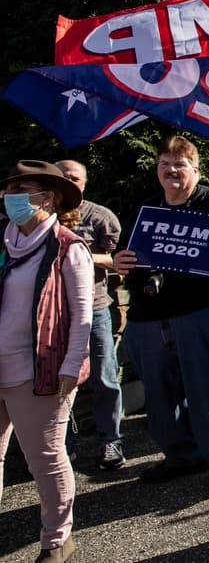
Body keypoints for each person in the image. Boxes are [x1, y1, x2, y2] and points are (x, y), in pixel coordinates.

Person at [112, 136, 209, 495]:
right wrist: (120, 261)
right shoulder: (146, 209)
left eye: (180, 164)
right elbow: (125, 254)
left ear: (196, 169)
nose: (172, 171)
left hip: (204, 313)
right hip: (148, 317)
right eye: (165, 165)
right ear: (157, 169)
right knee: (160, 395)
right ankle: (182, 456)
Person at [0, 161, 93, 563]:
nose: (12, 198)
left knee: (45, 458)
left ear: (49, 198)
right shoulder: (1, 243)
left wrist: (71, 366)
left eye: (23, 191)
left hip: (40, 369)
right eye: (9, 190)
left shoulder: (68, 247)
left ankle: (56, 540)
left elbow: (83, 313)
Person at [54, 159, 125, 471]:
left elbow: (119, 260)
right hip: (54, 314)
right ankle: (63, 447)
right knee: (58, 382)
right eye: (63, 177)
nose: (70, 181)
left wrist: (77, 253)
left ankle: (111, 440)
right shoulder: (42, 215)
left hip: (94, 308)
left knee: (104, 377)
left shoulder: (100, 217)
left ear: (84, 182)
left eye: (75, 178)